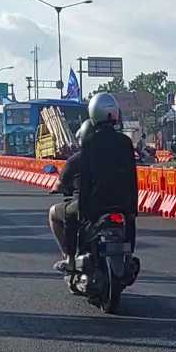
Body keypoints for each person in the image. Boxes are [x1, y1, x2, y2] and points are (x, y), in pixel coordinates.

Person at [48, 93, 138, 272]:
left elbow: (86, 178)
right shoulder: (125, 142)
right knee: (130, 220)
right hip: (123, 203)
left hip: (95, 204)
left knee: (68, 216)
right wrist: (133, 207)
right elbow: (132, 177)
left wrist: (84, 203)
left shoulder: (90, 143)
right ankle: (128, 258)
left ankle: (71, 260)